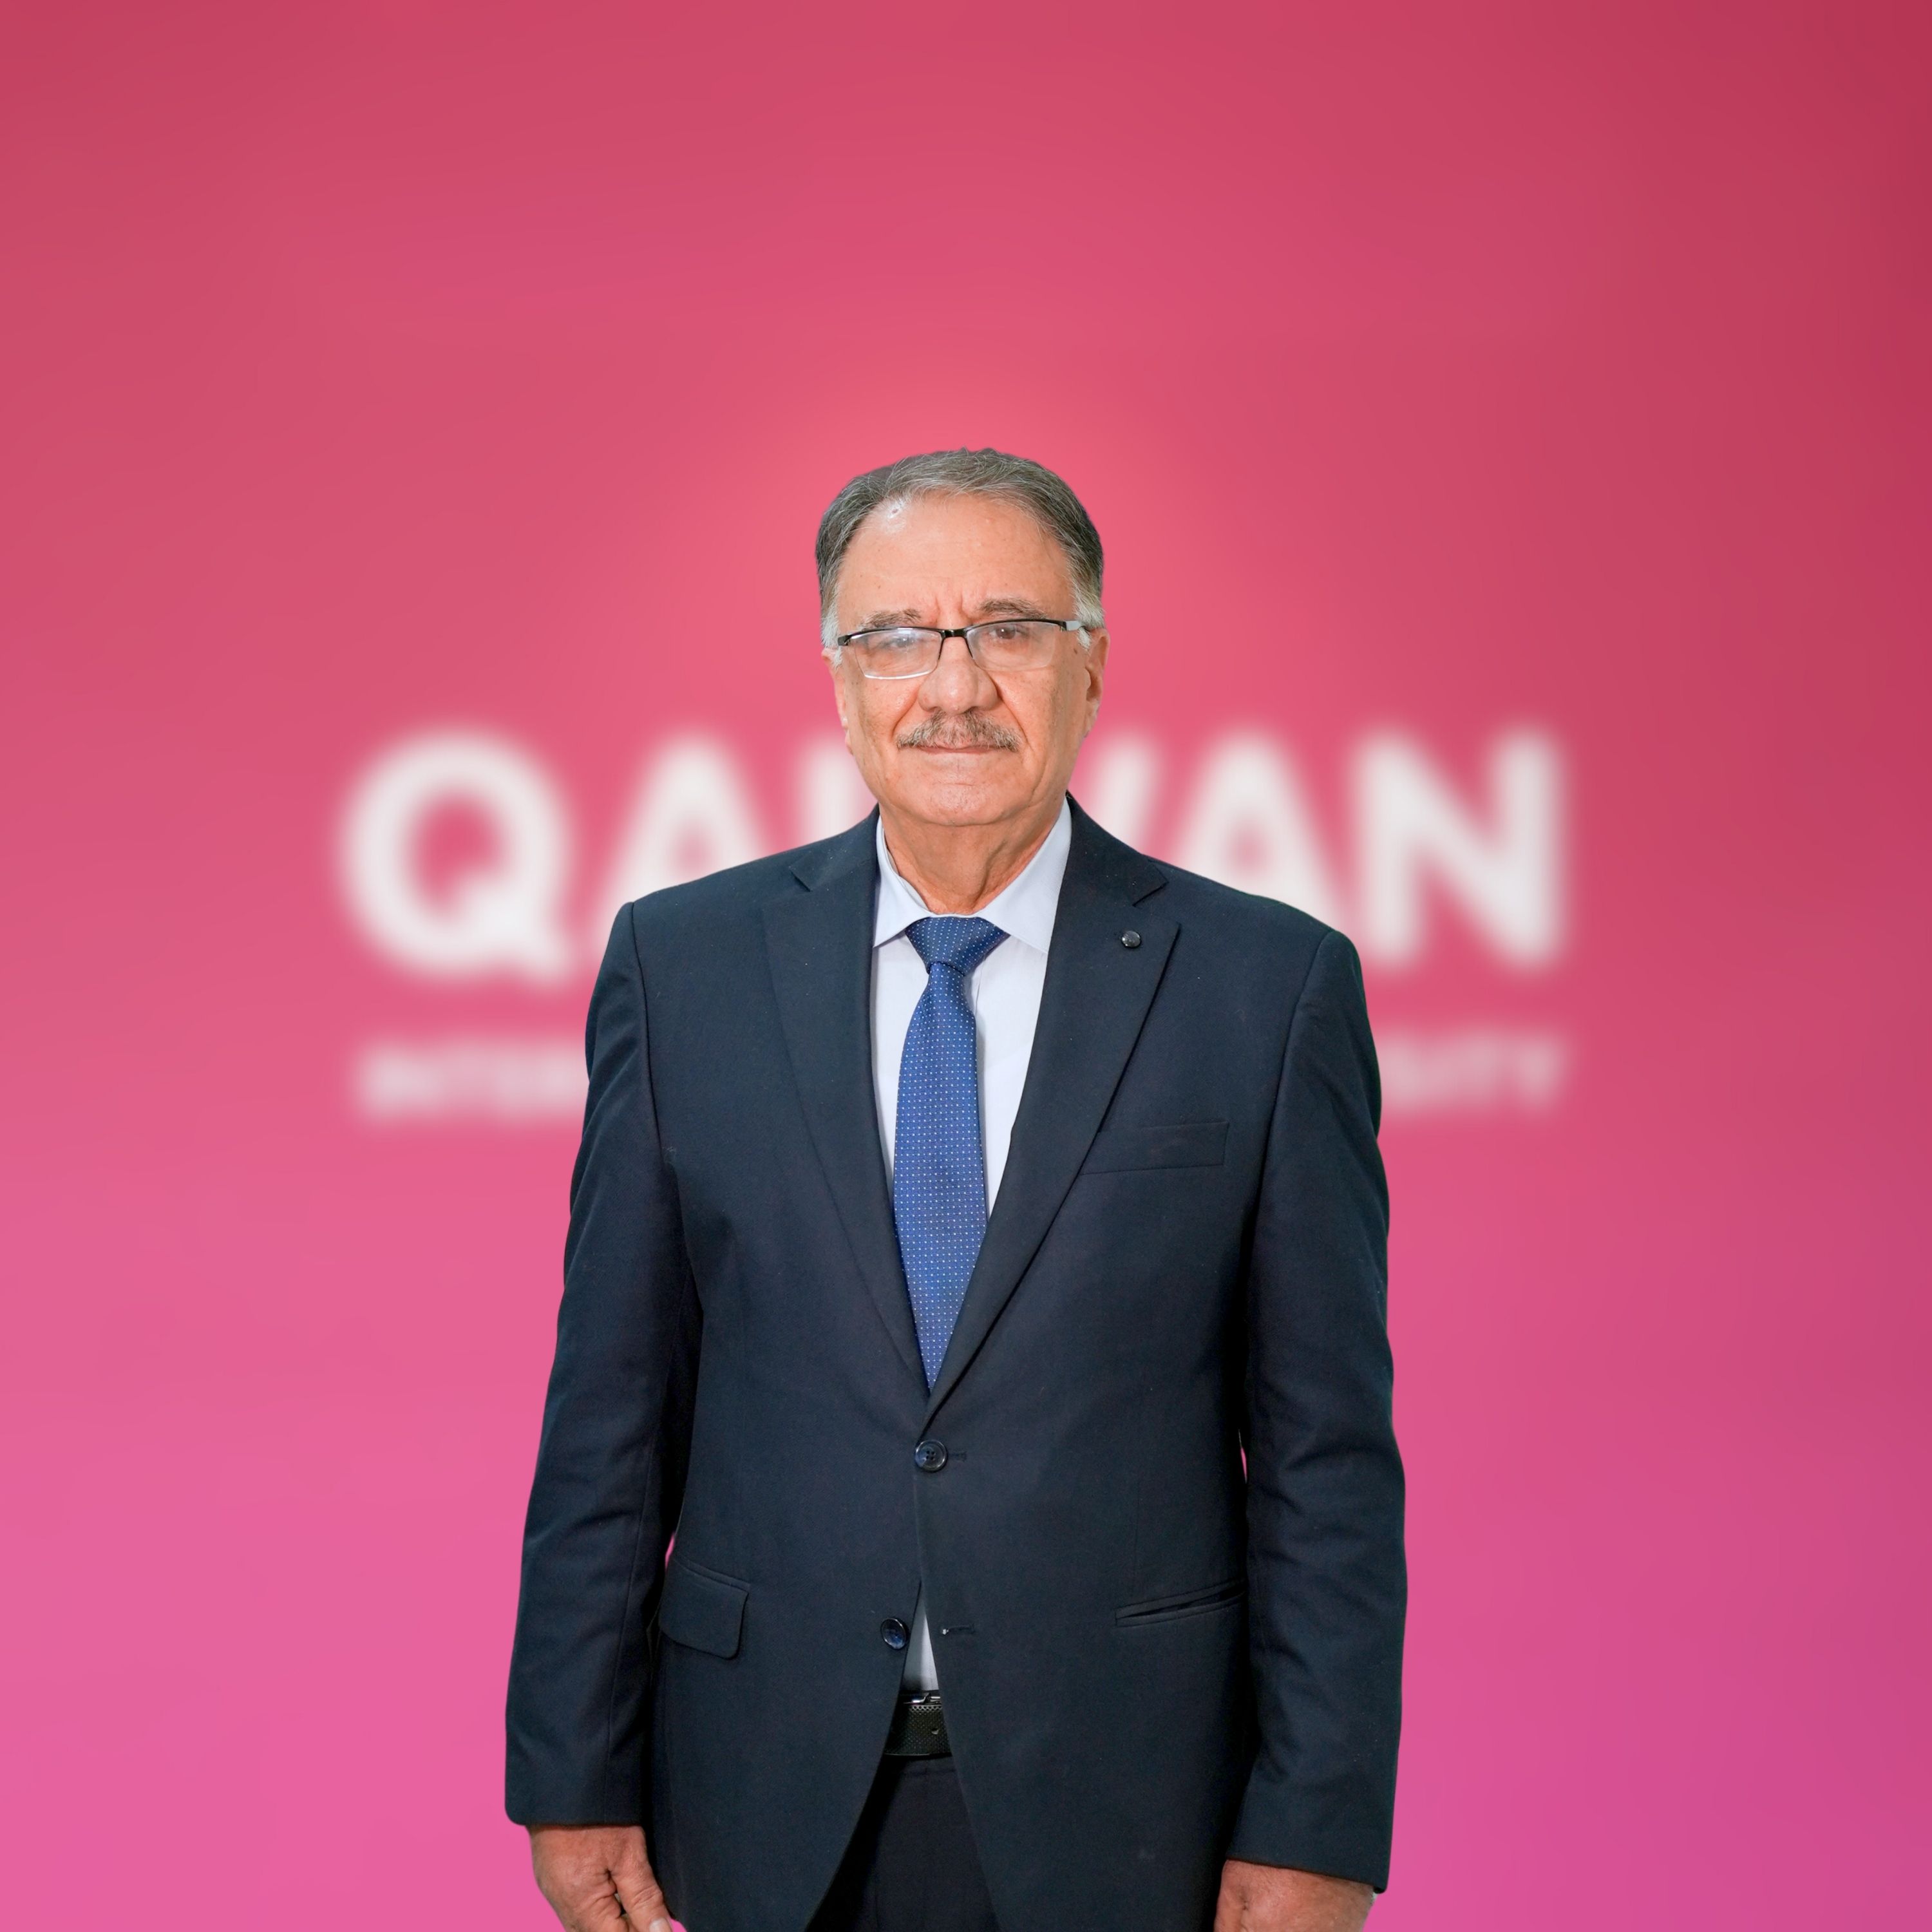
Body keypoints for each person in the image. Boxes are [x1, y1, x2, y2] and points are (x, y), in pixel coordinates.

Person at [506, 449, 1405, 1932]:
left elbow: (1328, 1466)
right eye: (897, 637)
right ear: (838, 677)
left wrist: (1318, 1821)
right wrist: (570, 1770)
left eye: (1010, 630)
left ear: (1093, 663)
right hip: (755, 1798)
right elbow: (609, 1418)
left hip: (1134, 1817)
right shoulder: (683, 970)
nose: (955, 685)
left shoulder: (1267, 988)